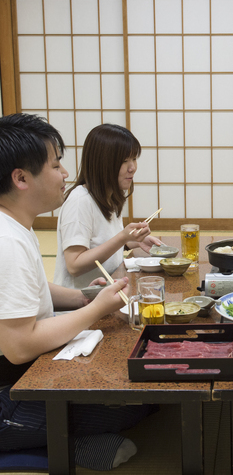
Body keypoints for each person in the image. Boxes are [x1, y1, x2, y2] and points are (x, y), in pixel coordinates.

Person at [0, 113, 155, 470]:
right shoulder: (8, 240)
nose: (65, 174)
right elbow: (20, 346)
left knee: (144, 395)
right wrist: (96, 309)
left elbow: (39, 292)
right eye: (56, 165)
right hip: (9, 391)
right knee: (135, 404)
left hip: (24, 375)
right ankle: (49, 453)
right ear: (21, 178)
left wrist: (85, 297)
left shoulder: (17, 227)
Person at [54, 123, 162, 289]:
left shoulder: (110, 196)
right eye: (124, 161)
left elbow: (102, 241)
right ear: (102, 163)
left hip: (106, 296)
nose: (132, 168)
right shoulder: (80, 201)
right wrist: (122, 238)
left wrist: (133, 241)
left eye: (134, 158)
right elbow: (74, 265)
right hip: (81, 305)